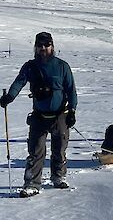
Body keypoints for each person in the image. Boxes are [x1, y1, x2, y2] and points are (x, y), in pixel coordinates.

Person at [0, 32, 77, 197]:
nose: (43, 48)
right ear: (36, 47)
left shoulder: (62, 66)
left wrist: (72, 110)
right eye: (40, 45)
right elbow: (19, 82)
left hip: (60, 115)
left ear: (52, 46)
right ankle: (32, 184)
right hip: (39, 115)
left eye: (47, 45)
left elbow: (71, 90)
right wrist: (9, 97)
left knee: (60, 149)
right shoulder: (30, 66)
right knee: (35, 151)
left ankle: (58, 176)